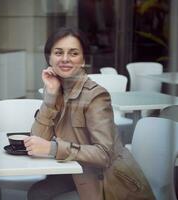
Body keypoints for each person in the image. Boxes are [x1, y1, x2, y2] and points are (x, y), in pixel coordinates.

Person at [24, 27, 155, 200]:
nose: (65, 59)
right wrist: (50, 99)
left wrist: (53, 148)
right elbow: (37, 140)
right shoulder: (56, 88)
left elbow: (103, 154)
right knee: (37, 193)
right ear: (49, 58)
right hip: (77, 172)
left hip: (107, 182)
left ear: (83, 59)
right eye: (58, 52)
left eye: (73, 53)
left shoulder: (96, 96)